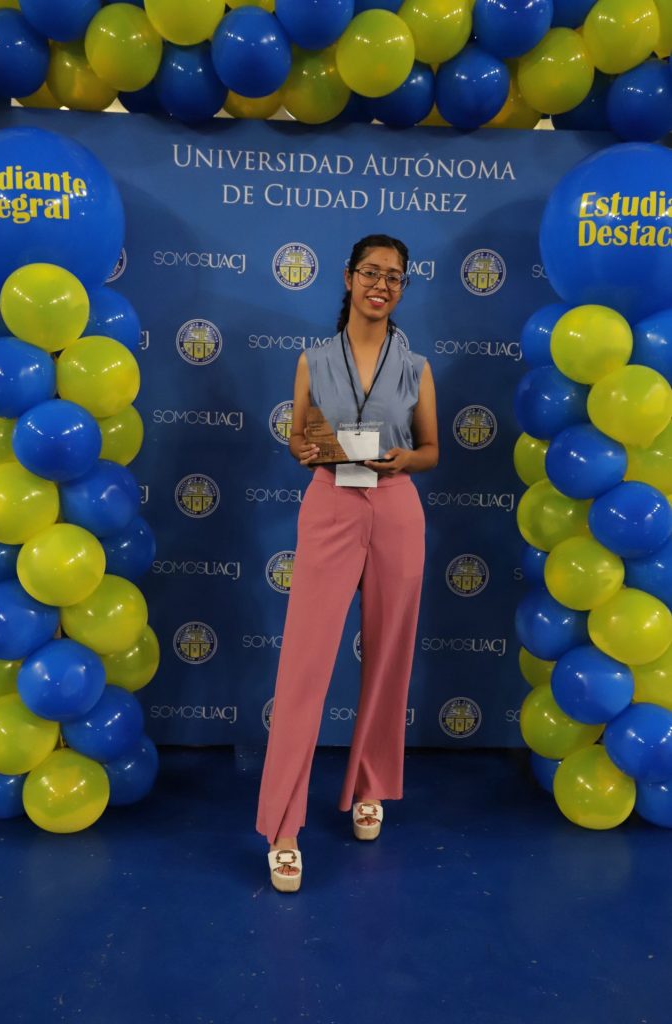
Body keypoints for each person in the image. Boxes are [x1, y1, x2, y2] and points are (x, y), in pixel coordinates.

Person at [256, 233, 439, 892]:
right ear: (348, 277)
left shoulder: (415, 367)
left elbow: (430, 450)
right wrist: (304, 448)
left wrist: (404, 460)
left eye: (393, 276)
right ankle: (282, 827)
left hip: (395, 510)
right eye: (371, 272)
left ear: (402, 288)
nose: (380, 285)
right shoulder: (313, 360)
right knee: (304, 666)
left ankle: (369, 785)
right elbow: (297, 436)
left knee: (388, 658)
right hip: (330, 506)